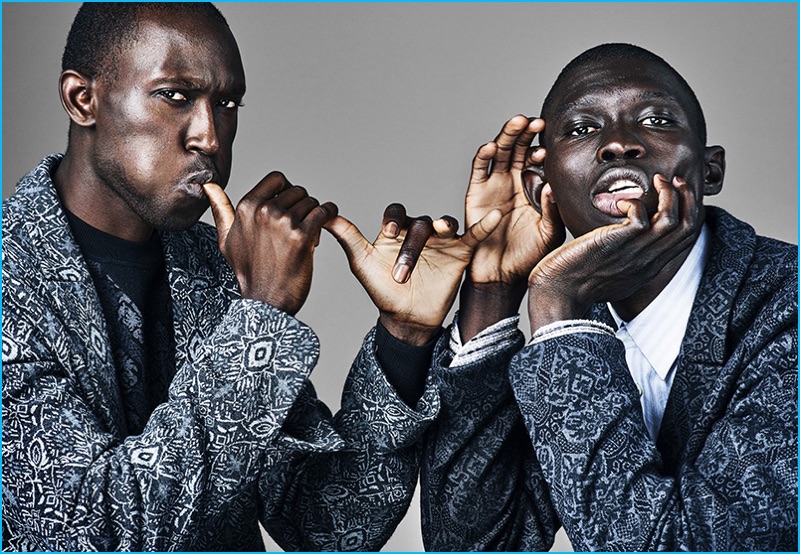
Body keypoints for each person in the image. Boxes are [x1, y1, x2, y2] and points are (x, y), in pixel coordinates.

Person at [1, 3, 502, 550]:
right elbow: (91, 532)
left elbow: (329, 524)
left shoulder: (214, 261)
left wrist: (403, 338)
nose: (210, 138)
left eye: (226, 104)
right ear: (83, 99)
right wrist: (261, 315)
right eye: (175, 96)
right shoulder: (13, 276)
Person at [421, 43, 797, 551]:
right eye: (582, 128)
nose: (619, 144)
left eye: (656, 119)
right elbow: (475, 543)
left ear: (710, 171)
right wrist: (493, 291)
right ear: (541, 189)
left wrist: (558, 310)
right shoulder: (583, 316)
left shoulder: (787, 304)